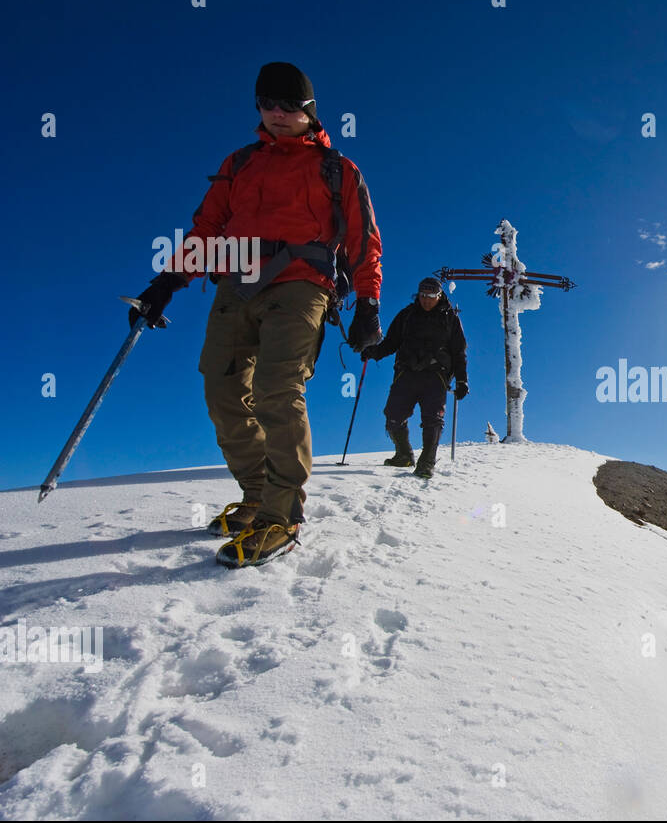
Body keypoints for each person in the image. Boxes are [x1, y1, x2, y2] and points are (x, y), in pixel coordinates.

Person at [128, 62, 384, 567]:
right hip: (234, 286)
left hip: (301, 288)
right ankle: (258, 495)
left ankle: (282, 516)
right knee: (221, 389)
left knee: (277, 387)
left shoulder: (338, 169)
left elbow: (363, 241)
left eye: (289, 106)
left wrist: (368, 302)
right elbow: (206, 228)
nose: (277, 115)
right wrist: (168, 281)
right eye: (268, 104)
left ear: (309, 111)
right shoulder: (240, 163)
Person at [362, 277, 468, 478]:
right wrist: (373, 352)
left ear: (439, 295)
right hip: (406, 373)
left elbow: (459, 352)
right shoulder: (407, 315)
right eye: (422, 295)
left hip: (436, 376)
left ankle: (426, 463)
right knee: (393, 415)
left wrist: (462, 380)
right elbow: (391, 342)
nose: (426, 300)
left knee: (433, 419)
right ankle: (404, 455)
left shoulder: (450, 319)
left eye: (431, 296)